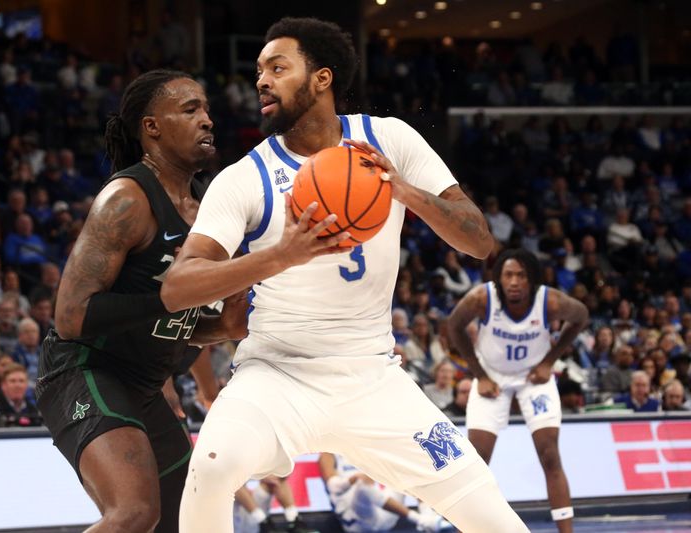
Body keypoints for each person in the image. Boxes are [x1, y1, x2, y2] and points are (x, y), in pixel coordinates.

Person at [163, 18, 526, 533]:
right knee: (213, 465)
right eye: (258, 71)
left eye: (277, 67)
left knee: (492, 514)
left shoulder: (390, 138)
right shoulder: (245, 177)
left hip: (373, 377)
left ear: (322, 78)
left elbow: (480, 241)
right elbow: (177, 287)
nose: (261, 80)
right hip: (276, 373)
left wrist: (404, 192)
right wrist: (278, 256)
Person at [35, 69, 248, 533]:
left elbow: (186, 322)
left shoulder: (210, 210)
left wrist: (230, 321)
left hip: (145, 385)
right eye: (190, 109)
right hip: (85, 370)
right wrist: (172, 296)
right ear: (151, 127)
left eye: (207, 109)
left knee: (183, 520)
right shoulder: (127, 199)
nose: (207, 120)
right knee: (133, 513)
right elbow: (72, 318)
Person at [447, 248, 589, 533]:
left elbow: (582, 317)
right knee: (477, 459)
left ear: (532, 280)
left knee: (549, 454)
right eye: (508, 275)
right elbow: (454, 326)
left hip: (533, 377)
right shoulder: (481, 298)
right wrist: (480, 374)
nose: (514, 281)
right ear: (499, 278)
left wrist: (550, 360)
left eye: (521, 276)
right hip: (492, 376)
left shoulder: (550, 302)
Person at [319, 452, 450, 532]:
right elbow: (333, 487)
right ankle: (420, 520)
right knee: (362, 483)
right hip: (357, 521)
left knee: (406, 469)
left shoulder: (363, 445)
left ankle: (429, 519)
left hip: (385, 514)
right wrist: (354, 478)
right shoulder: (327, 454)